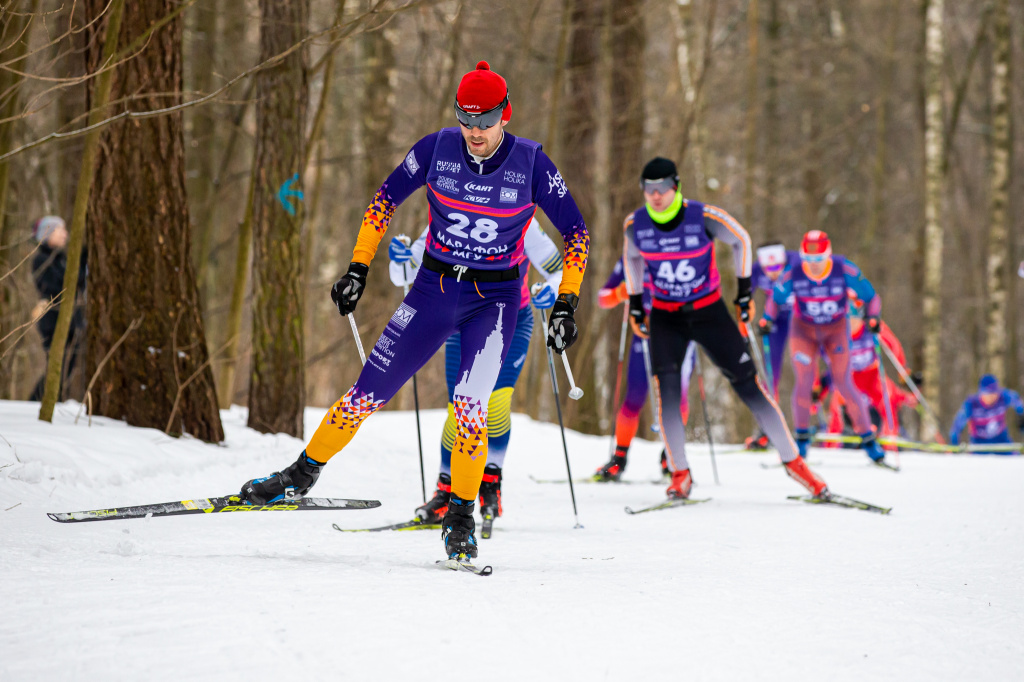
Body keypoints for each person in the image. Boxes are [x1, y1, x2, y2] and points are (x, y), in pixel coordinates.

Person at [238, 61, 589, 563]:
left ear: (504, 115)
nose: (474, 133)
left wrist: (568, 302)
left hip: (494, 303)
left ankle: (461, 517)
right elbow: (383, 202)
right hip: (432, 290)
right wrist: (358, 269)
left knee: (470, 410)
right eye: (465, 121)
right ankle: (299, 476)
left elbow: (577, 234)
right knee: (366, 393)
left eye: (485, 122)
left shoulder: (532, 163)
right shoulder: (435, 149)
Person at [623, 157, 828, 500]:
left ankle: (796, 465)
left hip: (708, 312)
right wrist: (634, 302)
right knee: (668, 394)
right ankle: (680, 473)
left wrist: (745, 291)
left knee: (749, 386)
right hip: (665, 317)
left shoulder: (702, 216)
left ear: (676, 187)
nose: (656, 196)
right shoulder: (636, 224)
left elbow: (742, 241)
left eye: (662, 189)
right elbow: (630, 258)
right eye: (649, 189)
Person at [387, 218, 563, 528]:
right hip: (462, 320)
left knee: (494, 404)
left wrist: (549, 291)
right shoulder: (445, 211)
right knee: (459, 410)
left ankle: (490, 483)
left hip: (511, 319)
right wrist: (400, 259)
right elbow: (403, 273)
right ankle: (446, 492)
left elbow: (559, 269)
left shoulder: (522, 218)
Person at [761, 230, 887, 464]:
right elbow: (775, 299)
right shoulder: (794, 272)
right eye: (809, 260)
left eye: (819, 260)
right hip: (804, 332)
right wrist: (767, 319)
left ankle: (868, 440)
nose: (814, 265)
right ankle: (800, 440)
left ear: (827, 255)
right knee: (804, 381)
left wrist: (873, 317)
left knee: (843, 381)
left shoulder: (843, 269)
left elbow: (871, 297)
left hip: (835, 331)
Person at [592, 257, 694, 481]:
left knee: (677, 398)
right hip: (644, 337)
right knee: (634, 396)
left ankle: (671, 456)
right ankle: (619, 458)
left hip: (680, 335)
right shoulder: (632, 258)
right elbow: (602, 298)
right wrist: (619, 293)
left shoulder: (683, 251)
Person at [827, 295, 915, 440]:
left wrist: (903, 371)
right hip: (851, 376)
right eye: (847, 321)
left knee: (887, 397)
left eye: (854, 320)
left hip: (872, 374)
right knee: (838, 400)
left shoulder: (871, 326)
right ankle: (832, 441)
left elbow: (893, 345)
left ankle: (890, 437)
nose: (851, 325)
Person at [745, 241, 800, 449]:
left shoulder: (796, 262)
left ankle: (828, 421)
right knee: (769, 373)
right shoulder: (756, 270)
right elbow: (744, 293)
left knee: (806, 366)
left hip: (801, 319)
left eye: (777, 267)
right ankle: (767, 427)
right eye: (768, 269)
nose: (773, 273)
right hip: (775, 320)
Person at [29, 216, 86, 401]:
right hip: (52, 321)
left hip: (71, 320)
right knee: (56, 368)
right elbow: (55, 288)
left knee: (66, 369)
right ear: (46, 234)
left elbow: (77, 285)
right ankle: (37, 401)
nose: (65, 234)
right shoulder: (41, 259)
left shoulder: (61, 258)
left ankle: (49, 400)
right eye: (58, 230)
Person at [949, 375, 1024, 454]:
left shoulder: (1003, 397)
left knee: (1016, 460)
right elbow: (956, 427)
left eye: (995, 393)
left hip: (1001, 440)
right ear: (981, 393)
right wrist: (955, 445)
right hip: (979, 443)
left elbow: (1017, 400)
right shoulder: (971, 404)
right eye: (989, 394)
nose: (993, 397)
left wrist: (1021, 414)